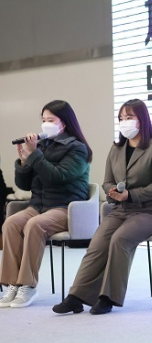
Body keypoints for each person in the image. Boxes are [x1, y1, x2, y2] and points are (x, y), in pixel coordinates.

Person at [53, 99, 152, 315]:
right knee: (97, 244)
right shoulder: (116, 149)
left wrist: (131, 194)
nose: (125, 122)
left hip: (149, 212)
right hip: (120, 210)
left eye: (130, 117)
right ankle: (76, 297)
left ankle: (108, 297)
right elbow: (107, 181)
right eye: (121, 118)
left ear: (142, 120)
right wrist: (112, 192)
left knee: (120, 240)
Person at [0, 100, 91, 308]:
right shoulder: (41, 146)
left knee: (35, 225)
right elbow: (24, 185)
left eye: (51, 120)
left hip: (66, 207)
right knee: (11, 223)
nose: (45, 124)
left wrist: (35, 155)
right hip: (39, 206)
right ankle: (12, 284)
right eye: (43, 120)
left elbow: (57, 177)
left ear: (64, 123)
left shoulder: (78, 149)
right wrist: (24, 162)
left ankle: (28, 285)